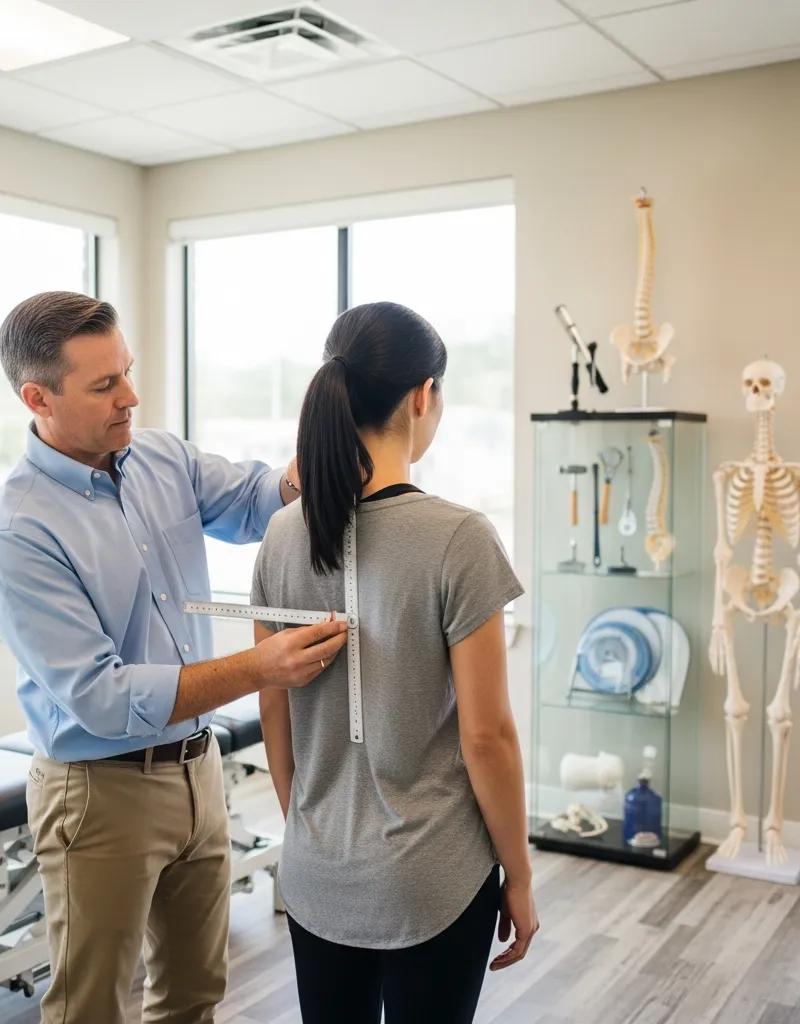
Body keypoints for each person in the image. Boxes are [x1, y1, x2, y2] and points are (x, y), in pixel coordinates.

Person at [0, 291, 348, 1024]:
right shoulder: (17, 533)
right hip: (99, 794)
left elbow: (259, 499)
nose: (130, 396)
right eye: (104, 385)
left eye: (128, 371)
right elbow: (103, 697)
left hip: (196, 770)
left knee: (193, 995)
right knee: (91, 1010)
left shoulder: (160, 457)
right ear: (37, 398)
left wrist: (317, 460)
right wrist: (259, 668)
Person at [253, 302, 539, 1024]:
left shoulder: (281, 535)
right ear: (422, 396)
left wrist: (311, 833)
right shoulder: (459, 537)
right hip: (432, 877)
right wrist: (520, 875)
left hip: (317, 872)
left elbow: (273, 706)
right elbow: (487, 737)